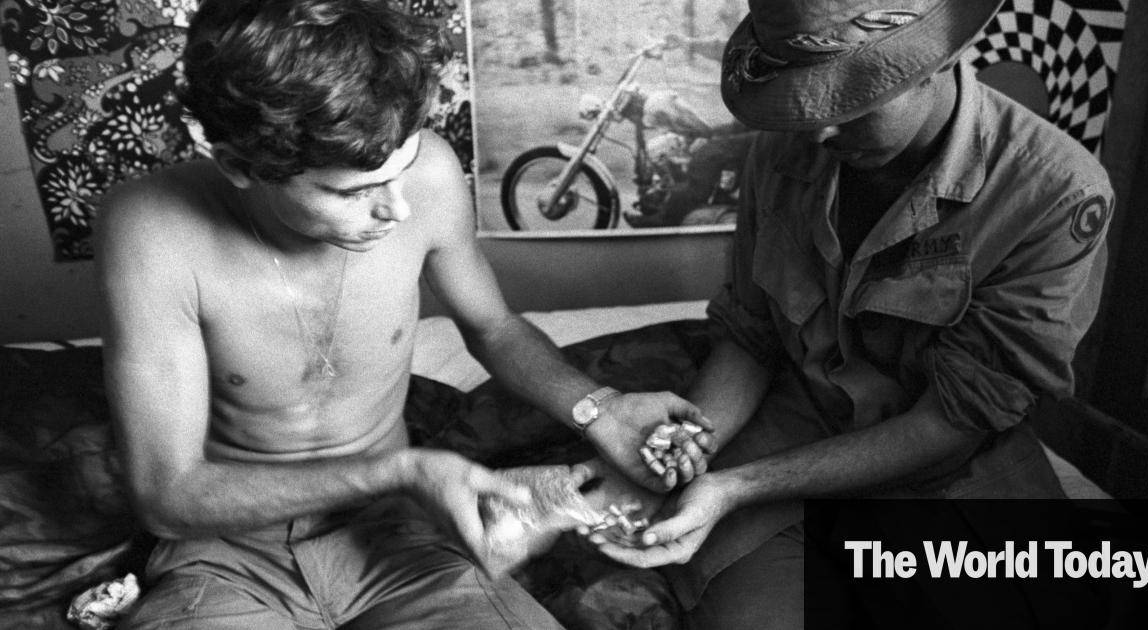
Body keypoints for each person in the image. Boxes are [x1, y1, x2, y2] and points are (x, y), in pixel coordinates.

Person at [95, 1, 710, 627]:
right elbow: (167, 495)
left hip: (397, 536)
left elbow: (493, 327)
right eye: (355, 191)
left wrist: (601, 409)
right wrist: (403, 471)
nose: (399, 210)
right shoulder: (150, 228)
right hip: (227, 555)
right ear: (238, 165)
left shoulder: (430, 173)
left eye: (403, 168)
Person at [594, 0, 1115, 628]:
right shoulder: (783, 148)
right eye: (802, 102)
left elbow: (953, 423)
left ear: (937, 61)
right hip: (788, 431)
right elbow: (752, 335)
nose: (817, 132)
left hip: (947, 472)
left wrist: (738, 486)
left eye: (848, 102)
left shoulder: (1056, 194)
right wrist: (687, 454)